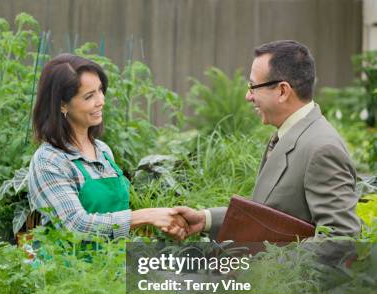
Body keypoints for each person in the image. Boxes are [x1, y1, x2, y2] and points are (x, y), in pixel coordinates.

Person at [170, 40, 362, 239]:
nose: (248, 96)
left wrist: (271, 263)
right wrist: (205, 219)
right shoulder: (289, 135)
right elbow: (270, 214)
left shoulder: (322, 149)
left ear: (282, 91)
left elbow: (342, 238)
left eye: (253, 86)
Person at [28, 53, 188, 239]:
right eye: (89, 96)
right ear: (63, 105)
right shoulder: (49, 160)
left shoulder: (102, 151)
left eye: (100, 90)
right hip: (70, 265)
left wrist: (165, 225)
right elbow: (75, 225)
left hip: (114, 261)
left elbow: (116, 220)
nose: (101, 101)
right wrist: (147, 216)